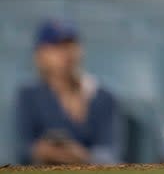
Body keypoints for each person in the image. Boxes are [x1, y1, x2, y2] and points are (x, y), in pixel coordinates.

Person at [15, 19, 120, 165]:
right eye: (57, 46)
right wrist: (46, 151)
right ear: (40, 54)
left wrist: (81, 155)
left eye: (71, 44)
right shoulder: (29, 96)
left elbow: (110, 152)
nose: (66, 53)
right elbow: (22, 150)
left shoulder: (103, 97)